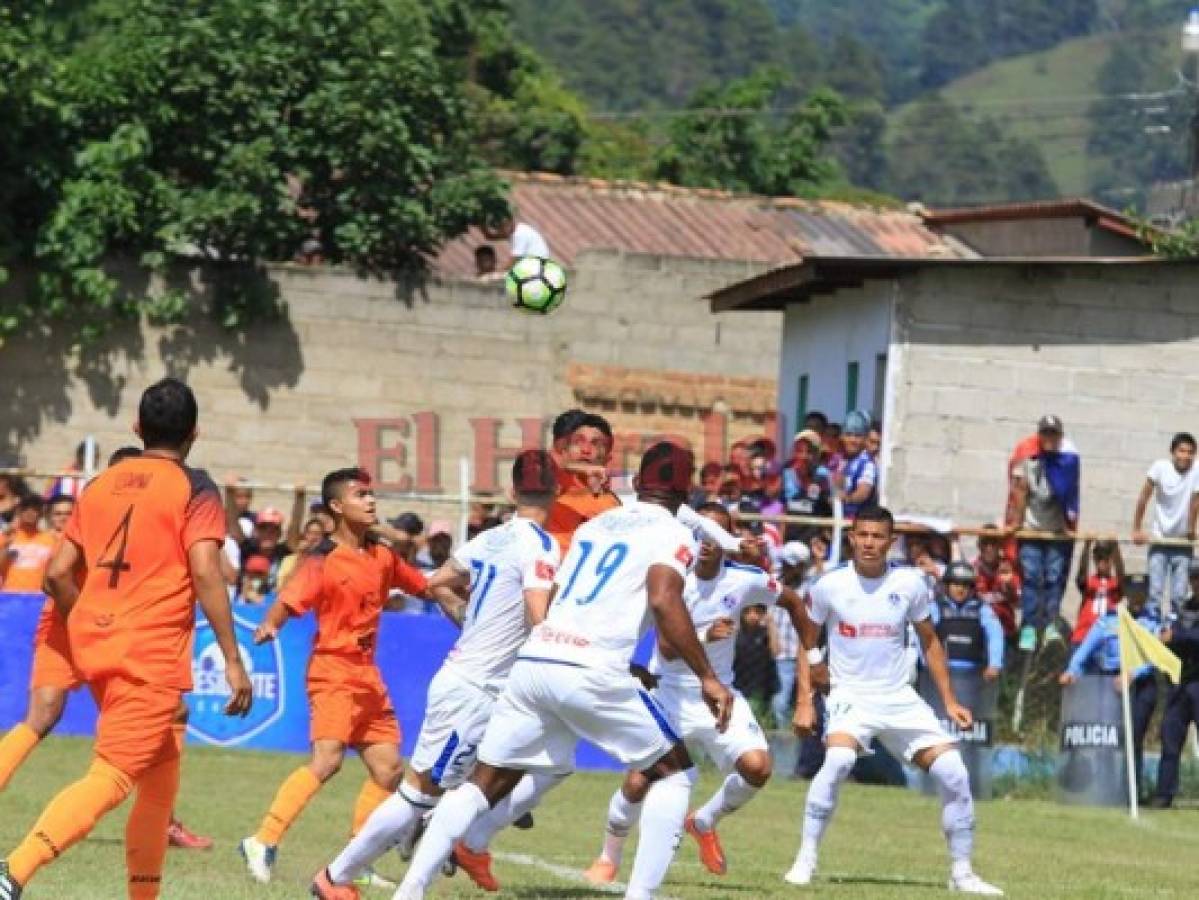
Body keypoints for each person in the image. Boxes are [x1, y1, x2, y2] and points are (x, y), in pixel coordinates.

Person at [391, 442, 734, 900]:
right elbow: (663, 597)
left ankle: (410, 891)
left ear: (636, 483)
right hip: (591, 665)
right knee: (674, 775)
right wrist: (708, 676)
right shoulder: (673, 532)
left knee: (483, 783)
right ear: (685, 489)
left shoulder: (600, 523)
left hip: (536, 659)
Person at [0, 378, 253, 900]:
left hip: (96, 645)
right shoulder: (196, 488)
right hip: (149, 654)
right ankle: (12, 873)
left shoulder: (99, 485)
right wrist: (232, 658)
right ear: (195, 433)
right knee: (113, 777)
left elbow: (58, 572)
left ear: (136, 428)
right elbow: (207, 571)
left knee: (160, 773)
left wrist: (90, 619)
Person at [311, 450, 562, 899]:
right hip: (474, 687)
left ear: (511, 492)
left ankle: (453, 849)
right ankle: (336, 876)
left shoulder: (490, 539)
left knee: (528, 769)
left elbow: (435, 583)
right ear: (557, 492)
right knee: (418, 795)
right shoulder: (541, 545)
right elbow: (539, 615)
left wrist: (470, 619)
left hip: (484, 685)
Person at [583, 502, 814, 884]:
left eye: (715, 533)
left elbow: (792, 601)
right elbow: (668, 647)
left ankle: (704, 821)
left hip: (718, 694)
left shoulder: (743, 579)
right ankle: (609, 855)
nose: (705, 541)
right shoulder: (672, 577)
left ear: (728, 538)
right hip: (668, 690)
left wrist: (815, 657)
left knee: (758, 767)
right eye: (700, 532)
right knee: (639, 781)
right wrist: (707, 635)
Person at [785, 505, 1002, 896]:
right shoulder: (829, 586)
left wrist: (949, 701)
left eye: (877, 536)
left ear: (891, 541)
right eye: (862, 535)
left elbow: (930, 641)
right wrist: (805, 700)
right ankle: (805, 859)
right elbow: (806, 640)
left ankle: (962, 871)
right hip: (849, 694)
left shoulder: (912, 584)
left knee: (954, 771)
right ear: (851, 536)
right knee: (837, 761)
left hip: (900, 697)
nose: (869, 543)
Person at [239, 468, 429, 886]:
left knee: (389, 769)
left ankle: (355, 863)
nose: (371, 501)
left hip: (367, 675)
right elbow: (288, 601)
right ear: (337, 507)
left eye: (372, 493)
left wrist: (464, 587)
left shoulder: (381, 555)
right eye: (361, 495)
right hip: (333, 670)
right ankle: (263, 839)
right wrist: (271, 622)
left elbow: (423, 586)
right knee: (327, 761)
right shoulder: (322, 560)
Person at [1059, 585, 1160, 798]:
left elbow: (1154, 655)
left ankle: (1130, 791)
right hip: (1109, 683)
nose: (1137, 599)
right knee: (1107, 738)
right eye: (1133, 594)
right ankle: (1106, 789)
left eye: (1141, 594)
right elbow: (1085, 649)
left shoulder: (1152, 622)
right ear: (1127, 596)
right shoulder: (1110, 619)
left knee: (1133, 739)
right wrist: (1071, 670)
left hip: (1140, 685)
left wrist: (1133, 674)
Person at [1008, 415, 1080, 649]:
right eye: (1045, 434)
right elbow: (1020, 491)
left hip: (1056, 531)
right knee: (1031, 578)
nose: (1049, 439)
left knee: (1053, 579)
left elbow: (1070, 495)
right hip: (1031, 529)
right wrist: (1016, 524)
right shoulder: (1028, 460)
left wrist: (1070, 525)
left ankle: (1050, 624)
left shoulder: (1066, 463)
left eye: (1053, 434)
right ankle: (1029, 626)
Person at [1133, 432, 1199, 619]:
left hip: (1182, 544)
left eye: (1190, 452)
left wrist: (1191, 529)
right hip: (1160, 539)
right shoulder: (1160, 467)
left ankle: (1174, 635)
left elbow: (1195, 502)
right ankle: (1153, 628)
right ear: (1173, 452)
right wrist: (1137, 528)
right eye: (1181, 451)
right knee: (1154, 593)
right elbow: (1144, 497)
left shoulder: (1196, 470)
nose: (1185, 456)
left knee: (1178, 596)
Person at [1150, 562, 1199, 809]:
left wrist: (1177, 637)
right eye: (1195, 577)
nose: (1197, 582)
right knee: (1170, 741)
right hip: (1181, 684)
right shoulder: (1184, 610)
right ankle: (1164, 793)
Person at [544, 409, 621, 550]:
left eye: (596, 444)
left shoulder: (613, 505)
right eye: (578, 442)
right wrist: (579, 468)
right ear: (565, 450)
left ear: (607, 458)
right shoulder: (553, 483)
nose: (586, 449)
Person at [929, 563, 1005, 684]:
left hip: (973, 676)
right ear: (947, 585)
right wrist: (925, 662)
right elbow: (922, 635)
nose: (961, 589)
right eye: (956, 584)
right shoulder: (935, 608)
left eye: (965, 585)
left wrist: (994, 664)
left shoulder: (982, 609)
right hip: (939, 674)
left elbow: (995, 635)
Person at [768, 541, 810, 728]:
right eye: (785, 563)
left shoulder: (811, 587)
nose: (786, 568)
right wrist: (773, 638)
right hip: (783, 651)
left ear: (802, 567)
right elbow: (769, 615)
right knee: (781, 700)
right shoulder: (774, 583)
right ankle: (783, 733)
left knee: (807, 697)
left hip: (806, 652)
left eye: (791, 565)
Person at [1070, 540, 1123, 645]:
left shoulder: (1114, 584)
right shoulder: (1089, 582)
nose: (1102, 562)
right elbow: (1081, 575)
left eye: (1106, 559)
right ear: (1094, 560)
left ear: (1111, 561)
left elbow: (1121, 576)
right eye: (1099, 559)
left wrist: (1116, 549)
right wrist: (1086, 547)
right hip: (1083, 636)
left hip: (1105, 638)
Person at [0, 495, 55, 592]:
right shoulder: (6, 537)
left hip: (38, 596)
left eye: (35, 509)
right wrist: (6, 545)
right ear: (19, 511)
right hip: (10, 595)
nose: (30, 512)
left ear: (41, 513)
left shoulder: (50, 540)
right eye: (25, 508)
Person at [973, 531, 1020, 640]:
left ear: (999, 546)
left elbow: (1017, 603)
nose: (989, 548)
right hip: (980, 630)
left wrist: (1008, 585)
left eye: (993, 544)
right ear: (979, 546)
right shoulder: (972, 568)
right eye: (985, 543)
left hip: (1005, 629)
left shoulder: (1008, 569)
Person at [837, 410, 877, 519]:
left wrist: (847, 499)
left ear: (865, 439)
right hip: (840, 520)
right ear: (842, 437)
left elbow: (863, 492)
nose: (853, 440)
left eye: (858, 435)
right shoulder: (841, 460)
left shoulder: (867, 463)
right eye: (849, 434)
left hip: (859, 522)